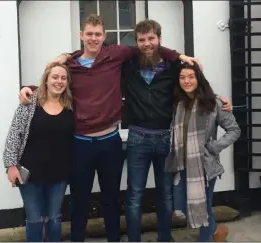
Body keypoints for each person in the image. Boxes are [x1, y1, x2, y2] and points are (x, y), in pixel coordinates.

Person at [18, 14, 198, 242]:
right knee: (79, 200)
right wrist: (29, 89)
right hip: (80, 143)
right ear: (81, 35)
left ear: (105, 37)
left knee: (111, 198)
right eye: (89, 34)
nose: (94, 38)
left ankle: (114, 239)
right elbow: (53, 84)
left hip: (110, 142)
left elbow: (149, 47)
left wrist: (180, 56)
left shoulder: (116, 55)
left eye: (98, 34)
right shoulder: (71, 65)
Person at [121, 19, 232, 242]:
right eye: (142, 40)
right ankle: (133, 239)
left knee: (165, 195)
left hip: (166, 138)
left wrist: (219, 99)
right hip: (137, 137)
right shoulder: (128, 64)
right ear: (137, 42)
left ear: (159, 39)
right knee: (134, 196)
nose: (147, 44)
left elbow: (194, 83)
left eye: (151, 38)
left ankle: (165, 237)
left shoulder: (174, 67)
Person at [164, 62, 241, 242]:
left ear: (199, 79)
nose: (186, 81)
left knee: (203, 206)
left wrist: (214, 147)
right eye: (182, 77)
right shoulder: (178, 104)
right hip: (182, 165)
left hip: (205, 167)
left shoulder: (214, 103)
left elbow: (234, 130)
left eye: (191, 77)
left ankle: (205, 239)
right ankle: (216, 233)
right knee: (193, 205)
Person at [3, 63, 74, 242]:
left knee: (55, 219)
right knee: (34, 220)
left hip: (59, 174)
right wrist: (10, 166)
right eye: (55, 77)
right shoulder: (30, 103)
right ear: (46, 80)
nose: (59, 81)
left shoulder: (70, 105)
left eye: (63, 78)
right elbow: (14, 135)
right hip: (29, 174)